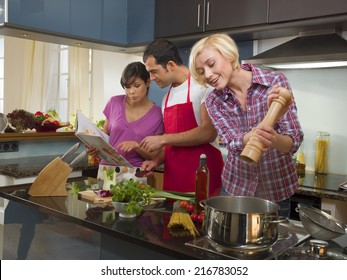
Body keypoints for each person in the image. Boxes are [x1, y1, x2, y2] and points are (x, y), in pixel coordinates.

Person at [189, 33, 304, 216]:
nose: (208, 75)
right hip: (236, 189)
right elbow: (232, 143)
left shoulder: (274, 83)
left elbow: (294, 141)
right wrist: (249, 138)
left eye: (211, 64)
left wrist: (272, 139)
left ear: (230, 55)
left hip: (276, 191)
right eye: (201, 71)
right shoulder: (213, 101)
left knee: (276, 244)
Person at [139, 39, 224, 196]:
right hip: (174, 180)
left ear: (171, 65)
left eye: (154, 71)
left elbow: (208, 132)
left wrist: (163, 139)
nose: (151, 78)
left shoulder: (204, 86)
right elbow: (172, 145)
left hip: (203, 178)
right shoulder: (166, 98)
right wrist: (155, 162)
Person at [87, 62, 164, 179]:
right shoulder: (114, 102)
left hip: (136, 172)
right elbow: (105, 138)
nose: (131, 92)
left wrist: (137, 146)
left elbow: (154, 155)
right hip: (106, 170)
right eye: (127, 87)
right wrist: (94, 147)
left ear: (147, 82)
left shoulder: (158, 114)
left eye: (137, 85)